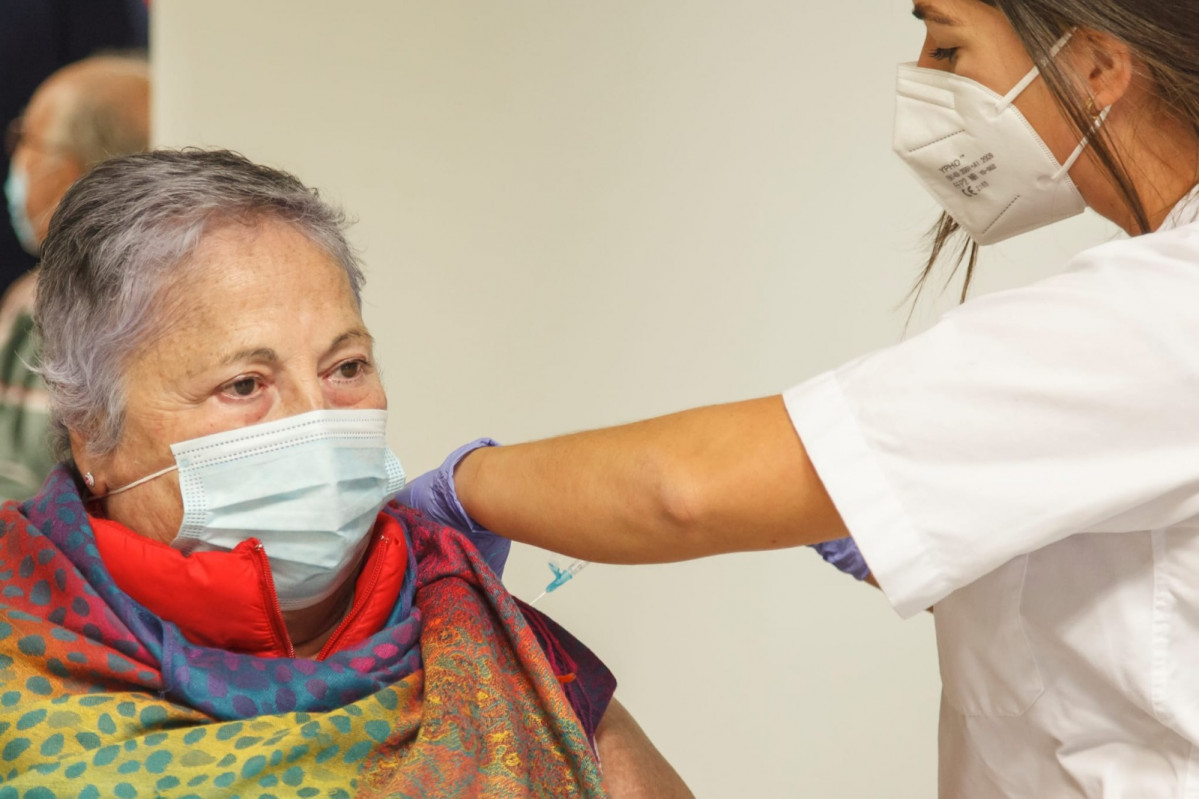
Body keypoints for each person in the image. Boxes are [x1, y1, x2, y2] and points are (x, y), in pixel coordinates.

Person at [401, 0, 1199, 795]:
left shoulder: (1158, 311)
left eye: (947, 47)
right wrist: (921, 539)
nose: (920, 75)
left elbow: (682, 490)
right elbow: (1132, 609)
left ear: (1096, 66)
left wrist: (462, 490)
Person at [0, 148, 691, 796]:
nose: (317, 419)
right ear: (93, 433)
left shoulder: (499, 648)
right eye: (245, 383)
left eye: (346, 367)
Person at [0, 54, 150, 501]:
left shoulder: (59, 307)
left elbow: (21, 488)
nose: (18, 162)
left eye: (26, 139)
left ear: (70, 169)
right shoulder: (37, 292)